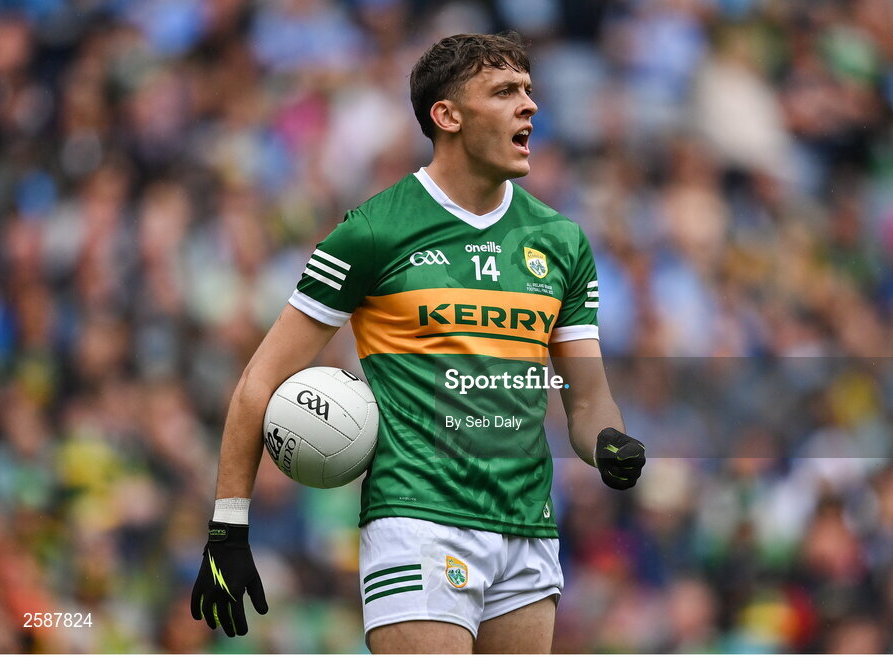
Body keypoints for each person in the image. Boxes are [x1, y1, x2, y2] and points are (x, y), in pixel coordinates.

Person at [190, 32, 646, 653]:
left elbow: (588, 402)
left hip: (528, 526)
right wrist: (228, 527)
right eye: (505, 92)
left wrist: (610, 445)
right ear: (447, 115)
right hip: (419, 521)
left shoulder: (561, 241)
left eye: (529, 92)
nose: (529, 106)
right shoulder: (373, 232)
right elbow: (260, 381)